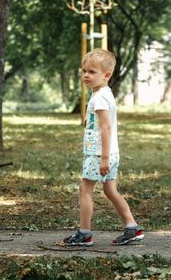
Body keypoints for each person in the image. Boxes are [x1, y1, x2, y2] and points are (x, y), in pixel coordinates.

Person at [63, 48, 144, 246]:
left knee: (85, 190)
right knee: (110, 190)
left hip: (99, 154)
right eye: (84, 71)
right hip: (109, 152)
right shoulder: (105, 92)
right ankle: (132, 227)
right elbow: (101, 124)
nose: (85, 75)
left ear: (106, 75)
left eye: (91, 72)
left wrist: (104, 158)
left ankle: (84, 233)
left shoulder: (99, 97)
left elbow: (106, 127)